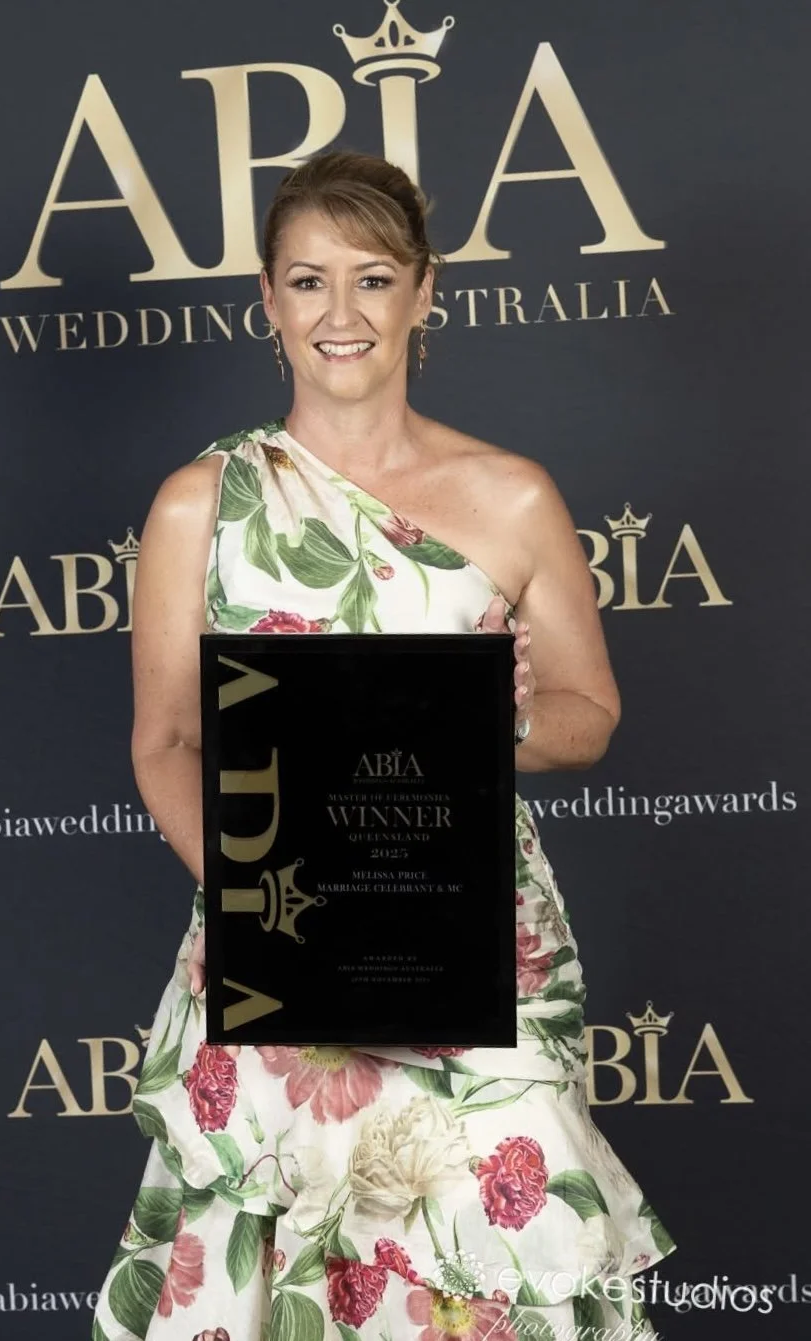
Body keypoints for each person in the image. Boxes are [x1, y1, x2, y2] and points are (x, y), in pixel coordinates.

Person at [92, 149, 676, 1341]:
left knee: (490, 1262)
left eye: (371, 278)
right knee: (281, 1246)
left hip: (471, 940)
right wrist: (259, 898)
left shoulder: (510, 496)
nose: (340, 314)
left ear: (423, 291)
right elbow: (162, 741)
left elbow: (586, 715)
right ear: (267, 301)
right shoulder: (198, 504)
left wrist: (490, 720)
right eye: (308, 282)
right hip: (280, 940)